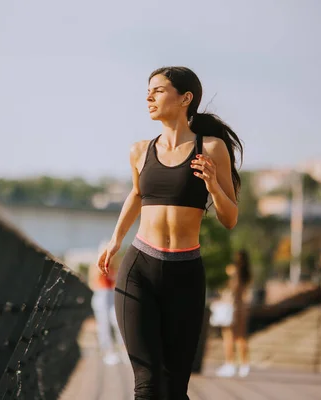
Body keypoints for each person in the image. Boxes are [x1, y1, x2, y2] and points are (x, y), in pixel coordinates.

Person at [97, 66, 243, 399]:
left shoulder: (212, 149)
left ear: (185, 98)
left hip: (185, 274)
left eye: (158, 90)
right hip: (139, 270)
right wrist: (116, 239)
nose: (149, 97)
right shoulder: (140, 150)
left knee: (175, 388)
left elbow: (230, 218)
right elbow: (136, 195)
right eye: (148, 91)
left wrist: (212, 186)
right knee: (146, 385)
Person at [215, 250, 252, 378]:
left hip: (231, 306)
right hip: (242, 306)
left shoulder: (232, 270)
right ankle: (244, 365)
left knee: (228, 337)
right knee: (241, 337)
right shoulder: (247, 273)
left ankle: (229, 364)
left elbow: (230, 287)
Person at [89, 241, 125, 365]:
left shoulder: (114, 265)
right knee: (103, 325)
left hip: (111, 294)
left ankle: (122, 350)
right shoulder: (96, 265)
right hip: (101, 295)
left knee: (117, 321)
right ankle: (108, 352)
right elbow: (93, 281)